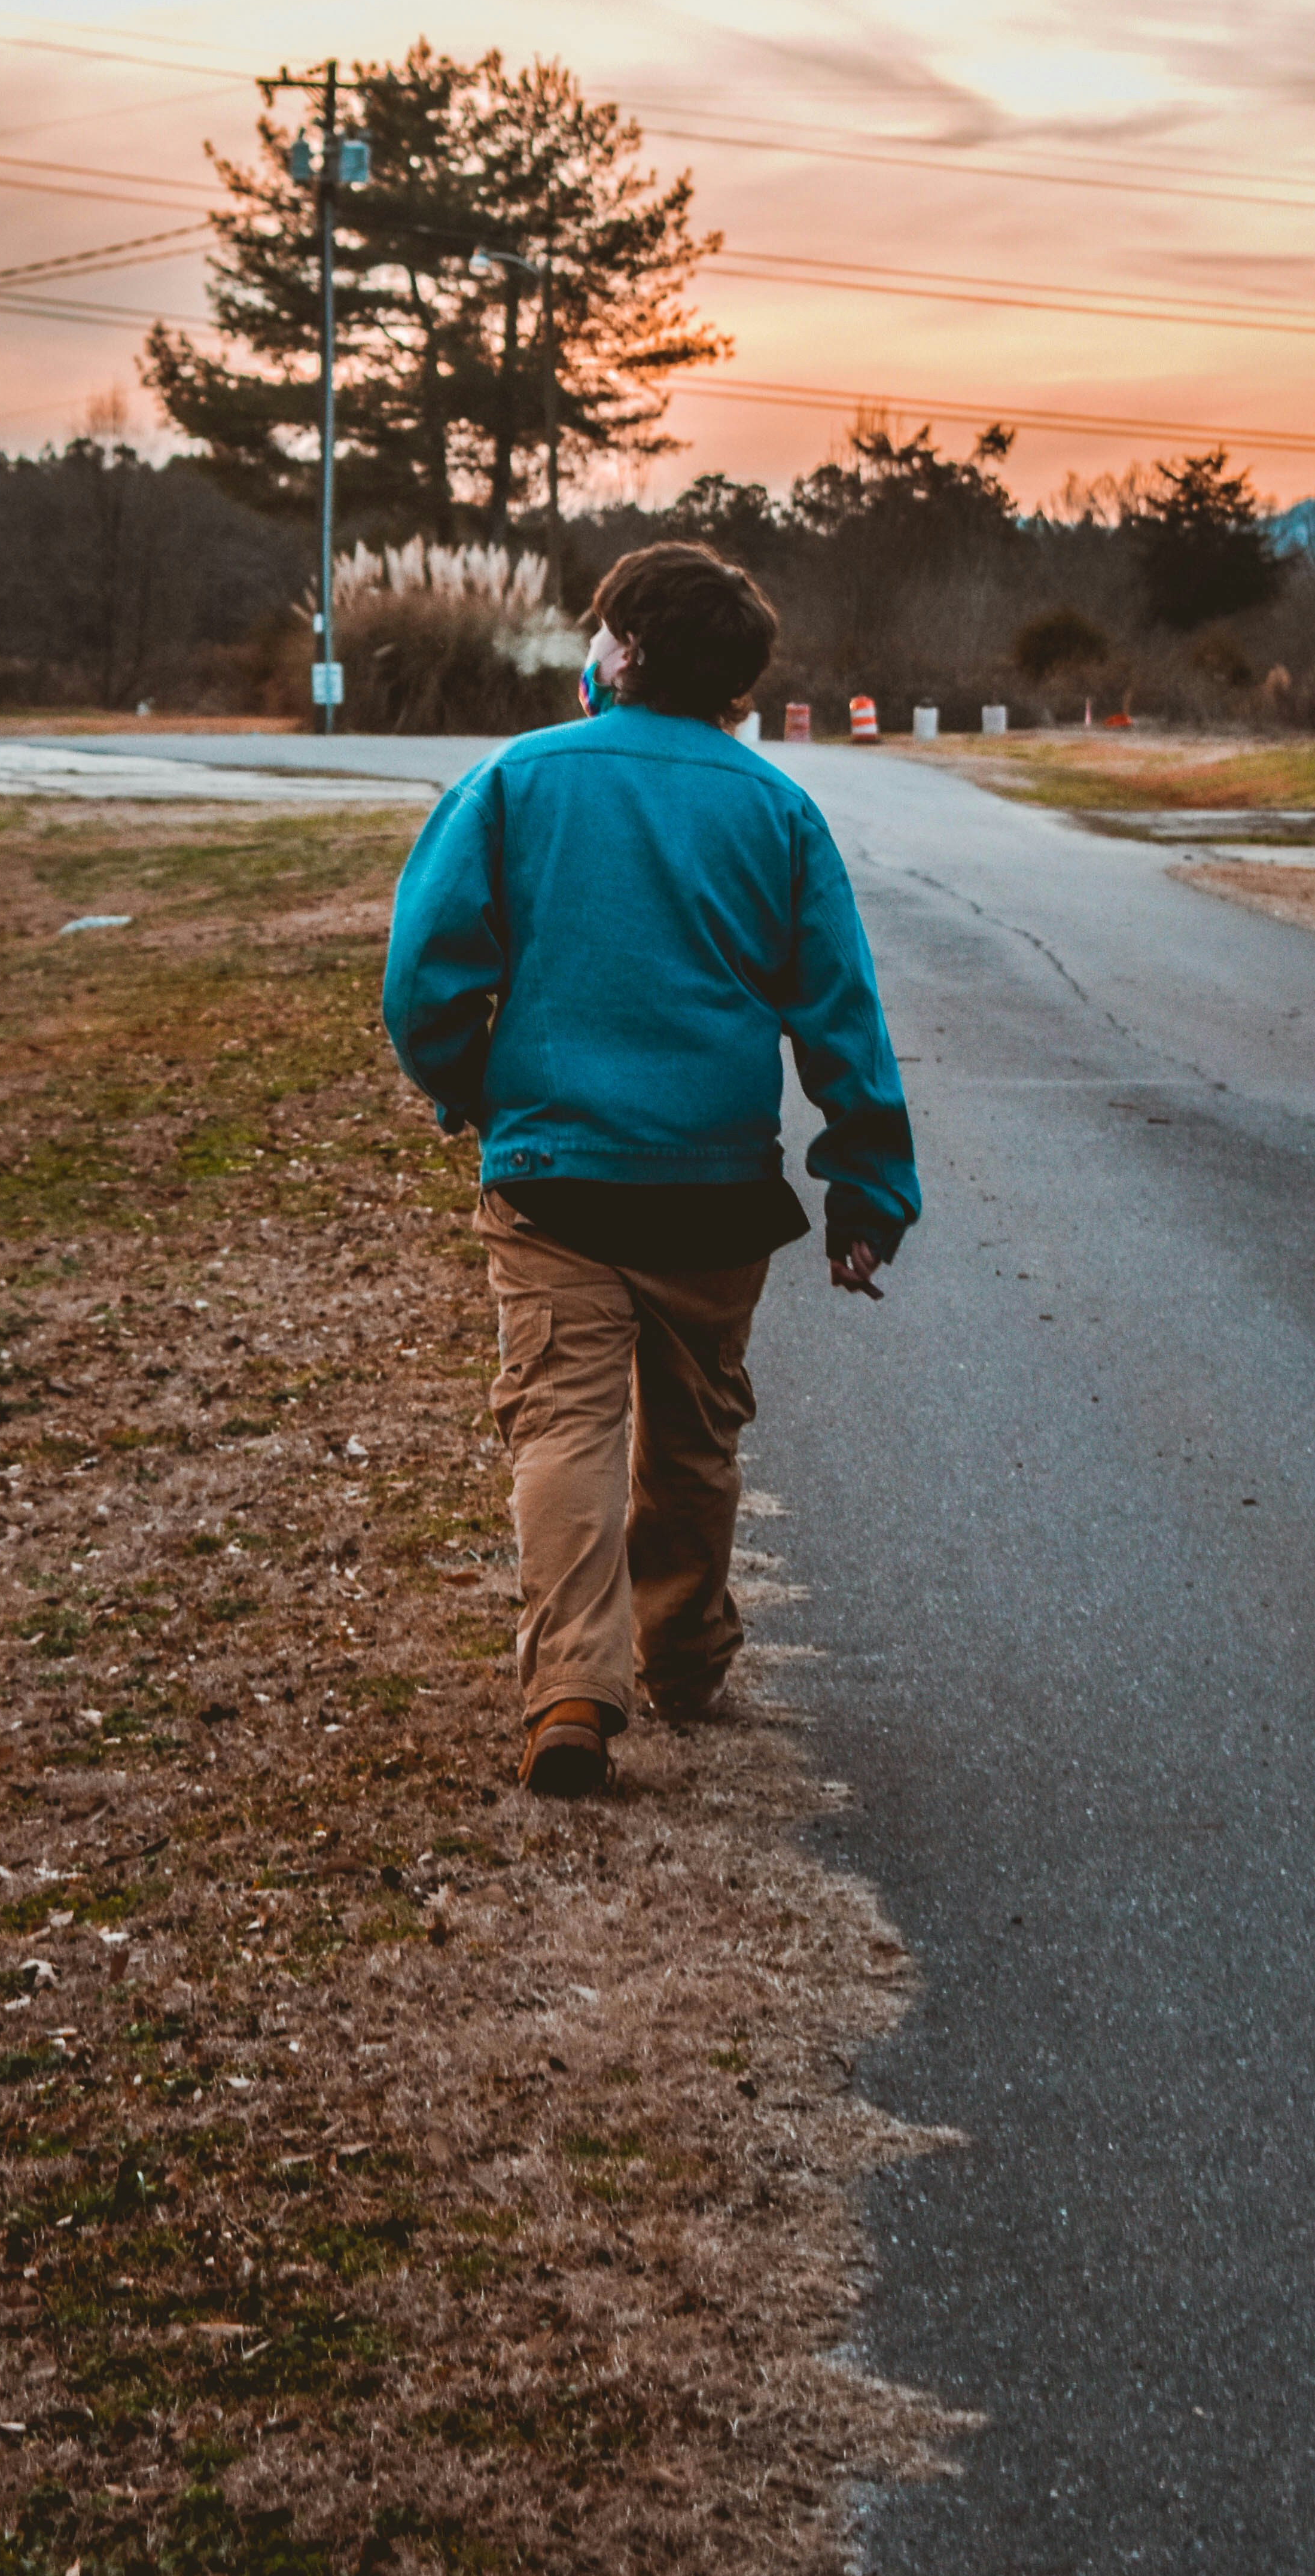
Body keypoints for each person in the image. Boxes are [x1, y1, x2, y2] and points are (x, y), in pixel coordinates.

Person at [382, 540, 918, 1799]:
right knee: (694, 1433)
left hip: (554, 1179)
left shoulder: (515, 780)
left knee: (563, 1421)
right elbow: (842, 1017)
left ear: (620, 652)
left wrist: (472, 1089)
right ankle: (683, 1653)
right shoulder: (779, 813)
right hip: (715, 1189)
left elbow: (424, 979)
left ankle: (574, 1684)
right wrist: (866, 1186)